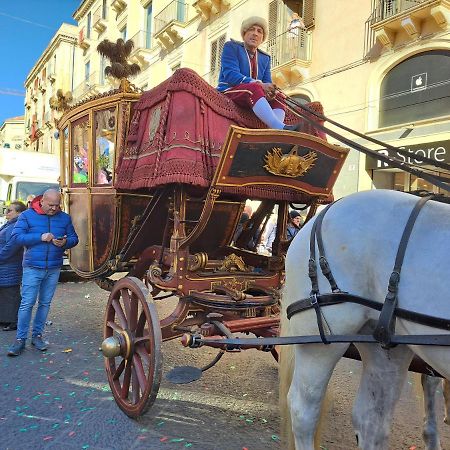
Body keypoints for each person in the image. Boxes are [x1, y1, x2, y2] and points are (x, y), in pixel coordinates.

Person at [2, 189, 78, 356]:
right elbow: (16, 238)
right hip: (32, 267)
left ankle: (37, 336)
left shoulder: (64, 217)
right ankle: (20, 339)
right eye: (51, 205)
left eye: (57, 205)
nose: (54, 208)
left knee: (44, 304)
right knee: (27, 303)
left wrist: (65, 242)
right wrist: (40, 237)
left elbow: (74, 238)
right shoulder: (27, 216)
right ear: (42, 201)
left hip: (54, 267)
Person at [217, 16, 301, 131]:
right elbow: (230, 75)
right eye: (251, 29)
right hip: (229, 90)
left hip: (253, 93)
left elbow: (267, 81)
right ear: (244, 33)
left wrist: (271, 90)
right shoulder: (231, 47)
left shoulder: (265, 57)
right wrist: (259, 85)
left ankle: (273, 131)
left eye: (259, 31)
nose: (255, 34)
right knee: (254, 87)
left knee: (279, 96)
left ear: (262, 38)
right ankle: (280, 128)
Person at [0, 201, 27, 331]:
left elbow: (11, 247)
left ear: (19, 213)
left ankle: (13, 321)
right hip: (6, 264)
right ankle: (6, 319)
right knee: (6, 292)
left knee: (11, 292)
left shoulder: (16, 225)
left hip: (9, 264)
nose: (6, 213)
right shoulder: (10, 224)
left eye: (10, 210)